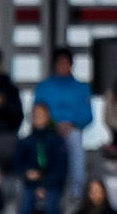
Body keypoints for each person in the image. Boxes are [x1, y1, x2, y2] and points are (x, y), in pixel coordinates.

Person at [33, 47, 94, 197]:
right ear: (55, 64)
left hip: (72, 130)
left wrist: (71, 125)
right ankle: (48, 189)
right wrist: (54, 125)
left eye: (66, 63)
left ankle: (76, 192)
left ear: (71, 64)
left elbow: (88, 116)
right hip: (49, 131)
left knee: (75, 139)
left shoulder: (82, 88)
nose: (63, 66)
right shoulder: (43, 87)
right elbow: (36, 113)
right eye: (60, 63)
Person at [15, 103, 69, 214]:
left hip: (52, 184)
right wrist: (27, 172)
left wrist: (45, 184)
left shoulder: (58, 141)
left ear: (48, 117)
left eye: (41, 115)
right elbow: (17, 165)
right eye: (35, 115)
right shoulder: (25, 141)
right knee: (25, 201)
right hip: (30, 183)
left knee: (51, 203)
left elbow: (61, 168)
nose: (38, 118)